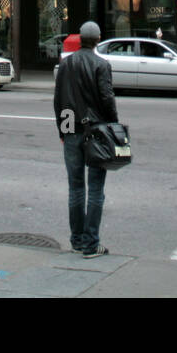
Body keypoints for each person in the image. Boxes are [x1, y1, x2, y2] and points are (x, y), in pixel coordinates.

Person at [52, 20, 118, 258]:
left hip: (71, 127)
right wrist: (113, 126)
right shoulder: (102, 64)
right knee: (96, 189)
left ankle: (77, 240)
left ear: (80, 39)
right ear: (98, 39)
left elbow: (59, 100)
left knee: (76, 187)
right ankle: (91, 243)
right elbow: (107, 98)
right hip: (96, 129)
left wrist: (63, 130)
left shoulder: (66, 64)